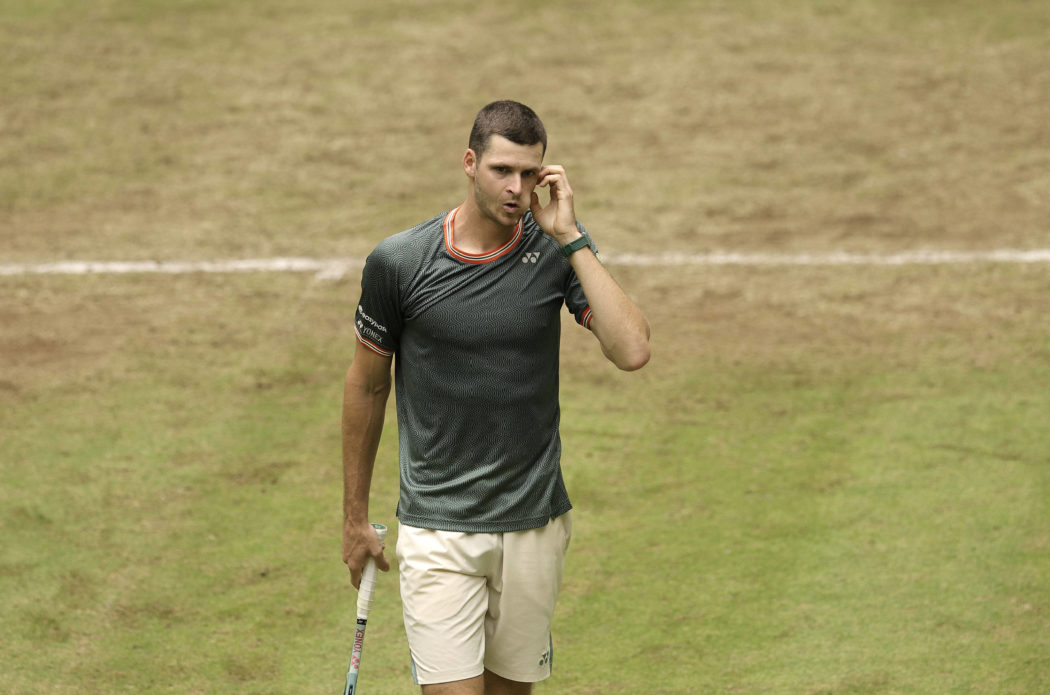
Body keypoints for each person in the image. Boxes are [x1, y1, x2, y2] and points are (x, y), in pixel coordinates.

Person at [341, 100, 650, 695]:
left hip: (534, 524)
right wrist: (355, 517)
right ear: (469, 163)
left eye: (530, 173)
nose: (516, 188)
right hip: (438, 528)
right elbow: (367, 384)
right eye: (502, 170)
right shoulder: (400, 262)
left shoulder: (555, 254)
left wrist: (570, 237)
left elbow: (631, 349)